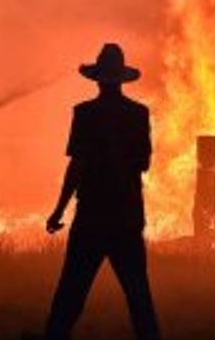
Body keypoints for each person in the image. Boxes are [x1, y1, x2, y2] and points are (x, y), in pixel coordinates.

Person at [44, 43, 161, 340]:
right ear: (121, 79)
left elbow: (77, 166)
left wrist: (58, 211)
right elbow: (144, 163)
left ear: (97, 79)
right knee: (138, 294)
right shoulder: (139, 114)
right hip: (127, 215)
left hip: (92, 215)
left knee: (72, 289)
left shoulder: (84, 114)